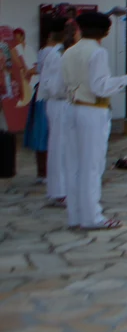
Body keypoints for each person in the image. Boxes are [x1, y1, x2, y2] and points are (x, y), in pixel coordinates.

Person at [58, 11, 127, 230]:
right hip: (92, 110)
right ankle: (92, 217)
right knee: (92, 165)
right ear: (105, 32)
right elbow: (100, 86)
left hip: (72, 107)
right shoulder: (97, 52)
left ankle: (75, 215)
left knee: (74, 164)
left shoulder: (69, 51)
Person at [27, 18, 65, 199]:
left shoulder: (45, 51)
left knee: (42, 133)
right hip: (49, 96)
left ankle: (42, 172)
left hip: (41, 93)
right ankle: (46, 173)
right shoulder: (55, 52)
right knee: (46, 134)